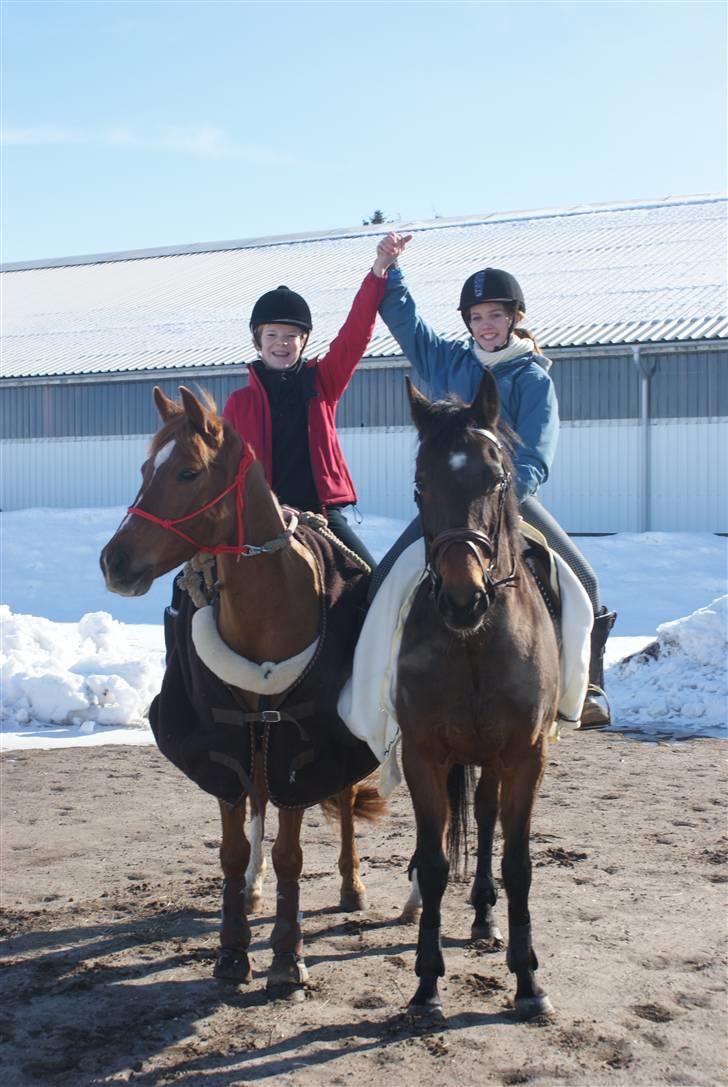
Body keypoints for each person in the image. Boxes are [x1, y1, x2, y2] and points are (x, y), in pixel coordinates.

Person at [370, 232, 617, 727]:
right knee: (379, 583)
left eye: (496, 316)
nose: (486, 326)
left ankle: (586, 687)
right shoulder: (447, 361)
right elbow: (405, 322)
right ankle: (373, 682)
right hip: (448, 510)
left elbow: (537, 455)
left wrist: (502, 500)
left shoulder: (532, 379)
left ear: (514, 319)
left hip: (509, 502)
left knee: (584, 581)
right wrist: (389, 269)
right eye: (477, 317)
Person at [164, 244, 391, 655]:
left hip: (322, 514)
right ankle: (181, 668)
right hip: (261, 517)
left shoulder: (324, 382)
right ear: (258, 341)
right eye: (273, 336)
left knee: (373, 584)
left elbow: (356, 334)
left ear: (304, 341)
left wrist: (377, 273)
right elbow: (224, 470)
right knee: (187, 587)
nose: (282, 344)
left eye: (291, 336)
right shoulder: (238, 404)